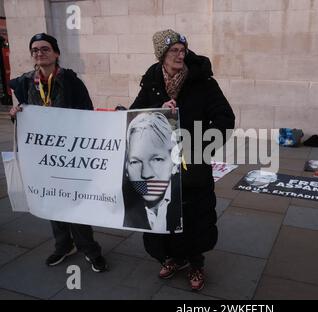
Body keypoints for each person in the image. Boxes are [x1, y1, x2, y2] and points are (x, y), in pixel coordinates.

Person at [128, 29, 235, 291]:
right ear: (161, 55)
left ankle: (196, 263)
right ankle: (170, 258)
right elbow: (135, 115)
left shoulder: (203, 82)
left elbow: (225, 118)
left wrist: (198, 146)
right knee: (162, 215)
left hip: (192, 164)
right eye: (173, 50)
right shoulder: (152, 81)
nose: (179, 54)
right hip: (159, 168)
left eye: (182, 49)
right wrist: (156, 113)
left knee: (195, 215)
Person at [8, 33, 108, 272]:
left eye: (44, 49)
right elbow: (24, 124)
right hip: (42, 156)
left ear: (56, 53)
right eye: (35, 50)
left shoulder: (72, 82)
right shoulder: (24, 83)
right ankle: (63, 245)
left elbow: (87, 116)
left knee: (76, 204)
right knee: (51, 199)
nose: (39, 53)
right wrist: (15, 116)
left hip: (70, 156)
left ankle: (90, 249)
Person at [122, 112, 182, 233]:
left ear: (175, 163)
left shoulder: (188, 203)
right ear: (126, 168)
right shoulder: (124, 212)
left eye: (157, 159)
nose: (146, 173)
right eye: (135, 162)